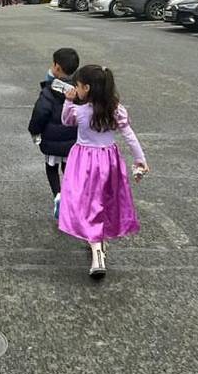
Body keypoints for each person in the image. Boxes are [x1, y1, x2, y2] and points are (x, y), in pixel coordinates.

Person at [60, 64, 149, 278]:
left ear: (87, 88)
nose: (76, 89)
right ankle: (99, 240)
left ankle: (96, 250)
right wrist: (140, 160)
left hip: (83, 161)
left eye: (79, 86)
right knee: (105, 201)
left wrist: (68, 100)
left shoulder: (79, 111)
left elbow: (65, 121)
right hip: (109, 160)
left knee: (86, 203)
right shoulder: (116, 109)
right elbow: (129, 135)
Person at [28, 47, 80, 218]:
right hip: (73, 141)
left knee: (51, 168)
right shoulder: (80, 91)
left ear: (57, 67)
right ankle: (70, 195)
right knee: (68, 167)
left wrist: (35, 132)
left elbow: (40, 113)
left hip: (51, 141)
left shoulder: (49, 91)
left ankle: (58, 195)